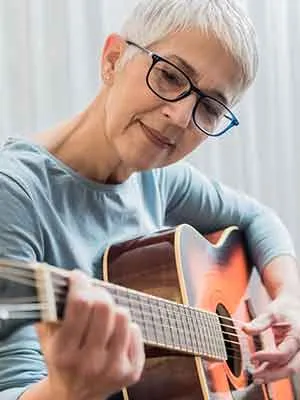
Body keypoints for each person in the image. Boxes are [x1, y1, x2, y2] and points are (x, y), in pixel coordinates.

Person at [0, 0, 299, 399]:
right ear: (112, 60)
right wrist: (66, 391)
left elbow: (259, 218)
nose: (179, 116)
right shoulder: (14, 192)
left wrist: (290, 301)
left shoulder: (159, 179)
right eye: (171, 76)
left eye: (209, 107)